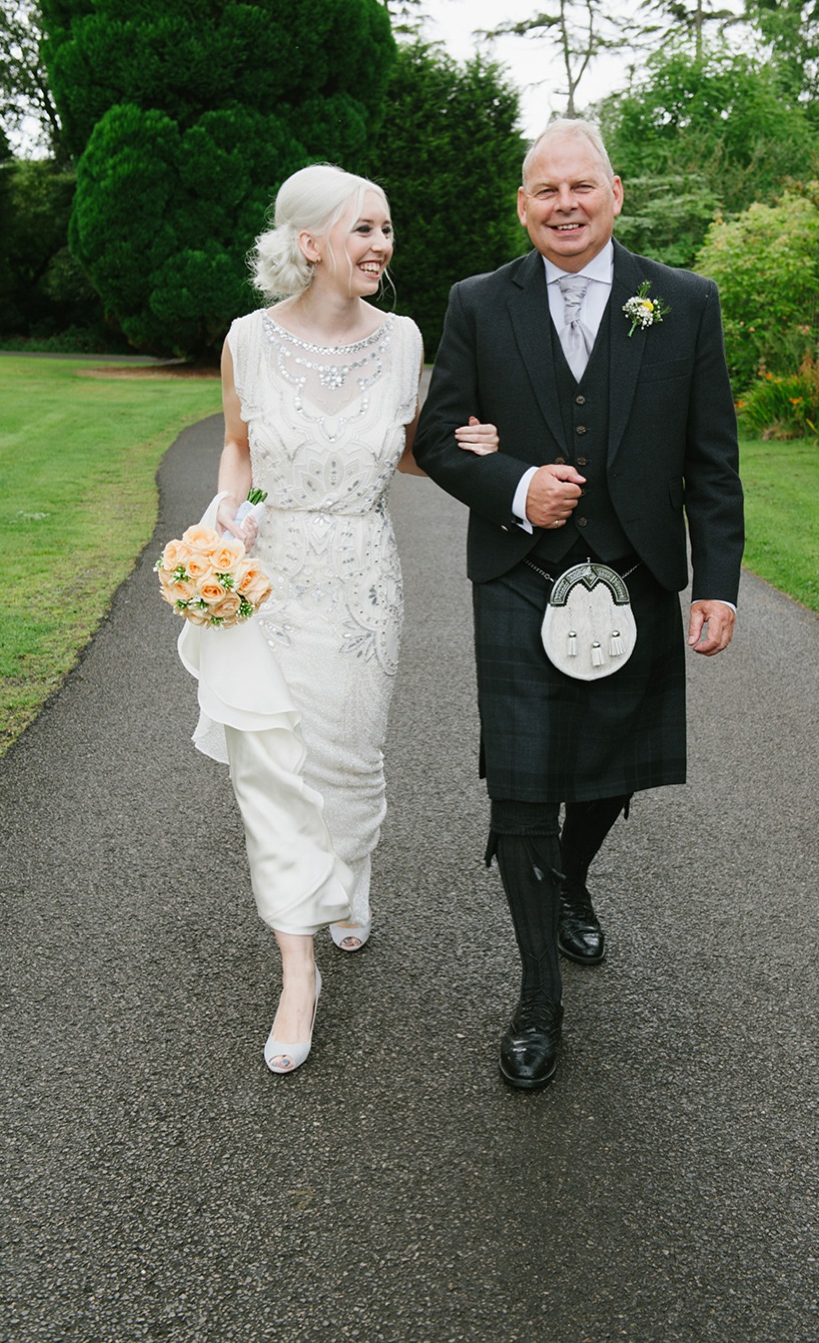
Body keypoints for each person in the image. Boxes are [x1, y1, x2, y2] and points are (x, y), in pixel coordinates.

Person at [413, 118, 744, 1091]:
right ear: (523, 205)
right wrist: (515, 486)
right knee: (521, 784)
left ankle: (573, 874)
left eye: (580, 186)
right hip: (520, 574)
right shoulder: (479, 302)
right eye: (544, 189)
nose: (563, 203)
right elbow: (437, 437)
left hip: (637, 574)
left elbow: (711, 462)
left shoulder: (681, 303)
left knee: (612, 769)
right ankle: (537, 998)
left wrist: (717, 581)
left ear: (615, 195)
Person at [214, 164, 498, 1073]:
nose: (381, 245)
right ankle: (296, 967)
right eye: (363, 229)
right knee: (271, 768)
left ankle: (354, 877)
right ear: (310, 244)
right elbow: (237, 447)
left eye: (385, 228)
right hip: (265, 582)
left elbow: (406, 453)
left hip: (364, 579)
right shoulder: (247, 342)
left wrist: (468, 449)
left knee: (348, 762)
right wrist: (228, 515)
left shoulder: (405, 337)